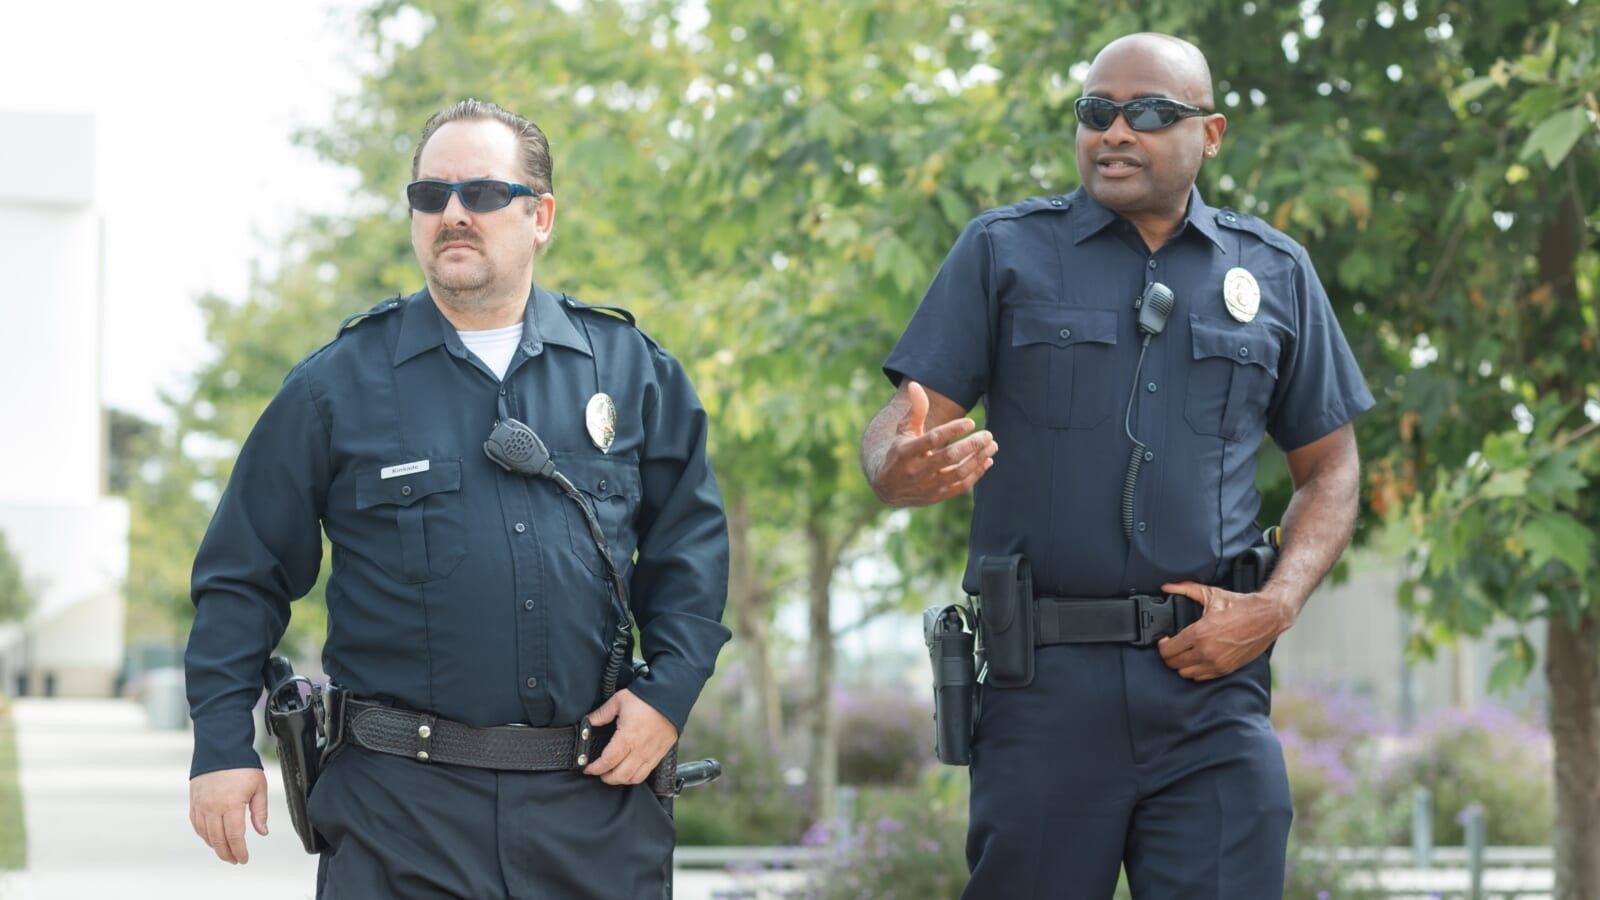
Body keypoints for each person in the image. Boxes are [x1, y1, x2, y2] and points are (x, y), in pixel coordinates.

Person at [860, 33, 1373, 900]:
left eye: (1150, 114)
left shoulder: (1273, 273)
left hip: (1210, 682)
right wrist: (893, 466)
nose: (1116, 132)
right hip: (1046, 690)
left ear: (1210, 134)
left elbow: (1331, 467)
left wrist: (1275, 608)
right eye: (1097, 112)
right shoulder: (1004, 251)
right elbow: (906, 418)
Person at [185, 99, 731, 899]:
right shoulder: (335, 386)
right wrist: (221, 745)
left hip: (594, 808)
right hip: (399, 814)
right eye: (429, 196)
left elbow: (690, 551)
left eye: (481, 193)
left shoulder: (631, 371)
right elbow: (244, 573)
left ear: (541, 216)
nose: (452, 215)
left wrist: (669, 695)